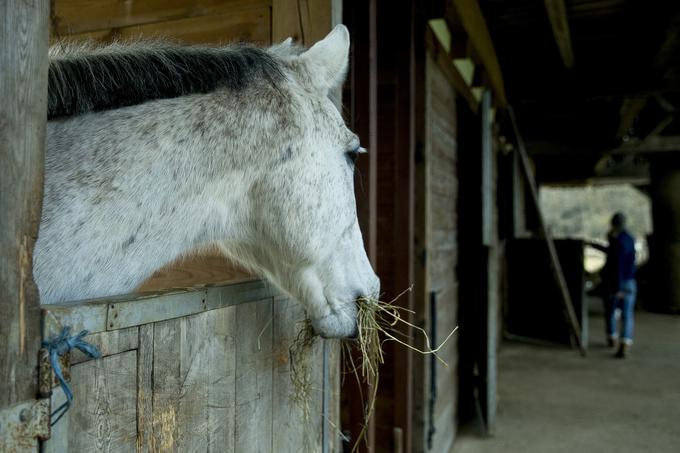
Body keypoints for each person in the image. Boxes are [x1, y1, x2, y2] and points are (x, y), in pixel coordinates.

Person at [599, 212, 637, 358]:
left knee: (610, 310)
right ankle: (625, 342)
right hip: (630, 281)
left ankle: (612, 337)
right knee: (627, 314)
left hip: (617, 282)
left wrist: (617, 287)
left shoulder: (617, 241)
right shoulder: (629, 239)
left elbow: (617, 264)